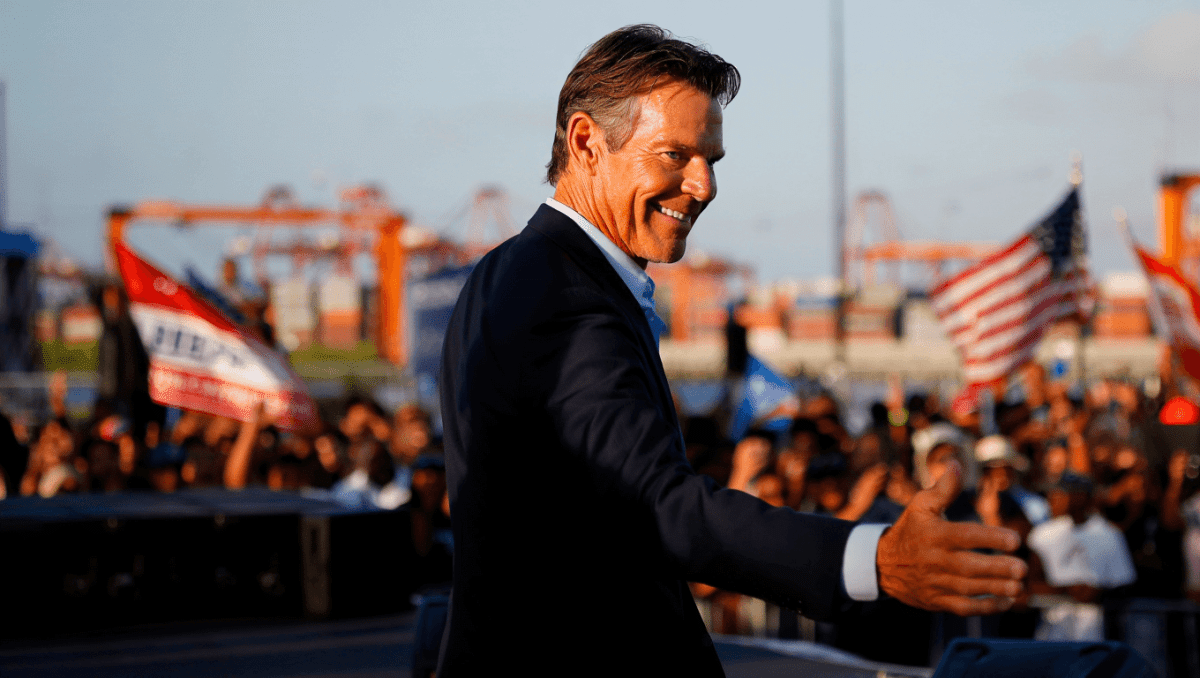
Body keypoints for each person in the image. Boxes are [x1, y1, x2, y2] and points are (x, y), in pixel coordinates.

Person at [438, 25, 1025, 675]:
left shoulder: (505, 273)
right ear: (586, 143)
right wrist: (873, 558)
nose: (704, 185)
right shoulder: (564, 296)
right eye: (674, 155)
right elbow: (657, 505)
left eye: (710, 160)